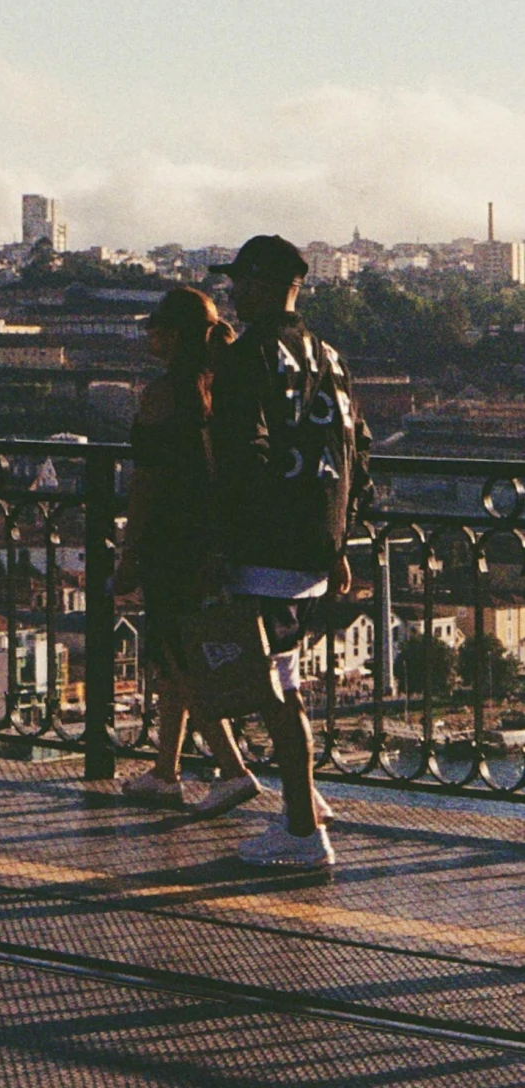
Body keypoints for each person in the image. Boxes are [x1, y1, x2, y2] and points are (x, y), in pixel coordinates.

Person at [207, 235, 373, 869]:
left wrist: (222, 541)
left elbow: (239, 455)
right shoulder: (329, 356)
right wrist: (338, 537)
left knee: (276, 692)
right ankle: (305, 806)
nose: (233, 293)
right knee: (284, 682)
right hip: (316, 538)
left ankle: (302, 830)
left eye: (240, 282)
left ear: (266, 283)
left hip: (262, 542)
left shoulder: (247, 356)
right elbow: (358, 451)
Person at [114, 286, 260, 816]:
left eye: (153, 327)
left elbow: (146, 480)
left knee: (178, 655)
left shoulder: (161, 394)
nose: (147, 334)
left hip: (171, 540)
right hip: (215, 537)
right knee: (177, 652)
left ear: (170, 335)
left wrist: (129, 552)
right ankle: (165, 771)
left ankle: (233, 768)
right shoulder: (219, 385)